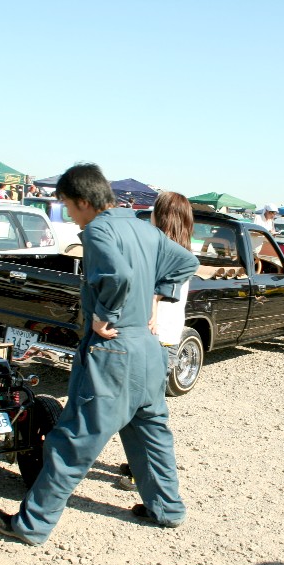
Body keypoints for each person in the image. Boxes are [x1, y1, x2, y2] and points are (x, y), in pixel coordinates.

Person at [0, 163, 199, 545]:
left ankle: (32, 526)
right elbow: (188, 262)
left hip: (113, 353)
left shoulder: (99, 231)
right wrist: (157, 297)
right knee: (151, 435)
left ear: (84, 201)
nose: (69, 214)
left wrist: (106, 313)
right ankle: (167, 510)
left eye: (68, 206)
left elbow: (118, 276)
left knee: (73, 440)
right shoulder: (142, 227)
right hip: (148, 350)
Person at [117, 191, 195, 492]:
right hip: (166, 337)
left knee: (144, 413)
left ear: (161, 216)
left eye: (153, 211)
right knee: (145, 409)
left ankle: (144, 473)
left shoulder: (160, 252)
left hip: (153, 338)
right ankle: (139, 464)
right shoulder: (182, 250)